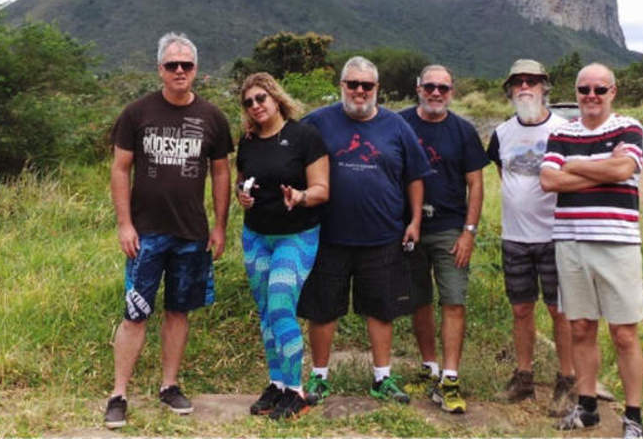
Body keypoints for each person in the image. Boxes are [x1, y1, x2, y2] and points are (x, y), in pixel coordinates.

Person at [103, 32, 233, 428]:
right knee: (135, 312)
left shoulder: (213, 117)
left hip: (191, 233)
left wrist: (220, 226)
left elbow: (222, 171)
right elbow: (120, 169)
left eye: (187, 65)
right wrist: (124, 224)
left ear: (196, 70)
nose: (180, 71)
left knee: (179, 311)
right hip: (145, 233)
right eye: (172, 64)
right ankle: (119, 392)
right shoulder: (137, 113)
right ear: (159, 69)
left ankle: (169, 385)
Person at [297, 56, 432, 406]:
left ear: (377, 89)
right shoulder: (317, 121)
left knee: (381, 309)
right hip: (328, 235)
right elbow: (289, 151)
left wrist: (415, 221)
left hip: (383, 235)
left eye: (366, 85)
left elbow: (415, 177)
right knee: (323, 309)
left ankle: (382, 378)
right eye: (352, 84)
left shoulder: (397, 127)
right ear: (342, 86)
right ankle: (320, 377)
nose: (359, 91)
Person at [540, 63, 643, 439]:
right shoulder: (562, 132)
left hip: (617, 242)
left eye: (599, 89)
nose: (591, 96)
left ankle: (633, 417)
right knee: (581, 327)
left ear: (612, 92)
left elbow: (623, 171)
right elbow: (549, 179)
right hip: (571, 242)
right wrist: (602, 164)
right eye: (584, 89)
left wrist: (577, 165)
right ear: (576, 92)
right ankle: (587, 408)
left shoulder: (629, 127)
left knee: (624, 333)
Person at [235, 72, 329, 420]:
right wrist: (241, 196)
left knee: (280, 307)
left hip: (297, 235)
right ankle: (276, 384)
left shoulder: (304, 136)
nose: (256, 106)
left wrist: (300, 196)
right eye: (248, 102)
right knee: (266, 314)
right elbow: (241, 181)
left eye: (261, 98)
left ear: (276, 98)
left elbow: (322, 189)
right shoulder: (247, 141)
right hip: (256, 235)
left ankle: (296, 391)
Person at [485, 59, 576, 414]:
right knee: (521, 308)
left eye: (532, 81)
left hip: (557, 236)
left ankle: (566, 380)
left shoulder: (566, 130)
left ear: (544, 87)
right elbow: (502, 173)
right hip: (516, 237)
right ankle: (524, 378)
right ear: (510, 90)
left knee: (559, 311)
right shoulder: (502, 133)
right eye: (518, 82)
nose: (525, 87)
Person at [399, 64, 489, 414]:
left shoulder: (463, 131)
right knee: (418, 299)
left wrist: (469, 232)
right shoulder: (401, 123)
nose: (436, 93)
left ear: (452, 92)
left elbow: (476, 185)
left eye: (444, 88)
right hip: (411, 226)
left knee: (453, 300)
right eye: (430, 87)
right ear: (418, 88)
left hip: (451, 228)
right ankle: (429, 366)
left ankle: (450, 377)